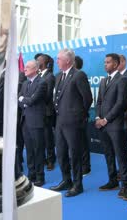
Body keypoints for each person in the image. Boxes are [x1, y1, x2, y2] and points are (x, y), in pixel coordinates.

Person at [50, 48, 93, 197]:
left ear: (68, 60)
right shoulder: (58, 76)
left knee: (74, 154)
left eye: (59, 59)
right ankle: (66, 180)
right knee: (61, 153)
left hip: (73, 123)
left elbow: (87, 99)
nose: (57, 61)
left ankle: (77, 184)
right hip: (60, 121)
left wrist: (78, 116)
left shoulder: (79, 75)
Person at [95, 54, 127, 197]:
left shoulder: (122, 80)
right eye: (104, 62)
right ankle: (112, 180)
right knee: (108, 154)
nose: (105, 65)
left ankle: (125, 186)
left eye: (108, 62)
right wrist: (98, 117)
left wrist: (106, 119)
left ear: (115, 64)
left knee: (121, 156)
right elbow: (99, 102)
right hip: (103, 125)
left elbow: (121, 103)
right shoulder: (103, 81)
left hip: (115, 125)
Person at [18, 60, 48, 187]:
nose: (25, 69)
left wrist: (23, 100)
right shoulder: (25, 83)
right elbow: (18, 99)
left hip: (36, 122)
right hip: (25, 121)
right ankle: (31, 175)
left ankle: (40, 177)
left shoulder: (42, 82)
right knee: (29, 150)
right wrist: (24, 100)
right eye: (25, 67)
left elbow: (32, 100)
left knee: (38, 150)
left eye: (28, 67)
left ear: (35, 69)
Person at [36, 54, 57, 171]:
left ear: (43, 62)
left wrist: (34, 99)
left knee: (48, 138)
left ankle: (51, 160)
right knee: (40, 138)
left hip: (47, 112)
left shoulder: (49, 77)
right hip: (38, 112)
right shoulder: (38, 75)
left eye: (38, 60)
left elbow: (48, 96)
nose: (36, 62)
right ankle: (43, 158)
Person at [73, 55, 91, 175]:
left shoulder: (79, 75)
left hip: (79, 116)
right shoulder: (66, 76)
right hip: (69, 117)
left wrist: (82, 112)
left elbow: (87, 98)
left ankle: (85, 167)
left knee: (82, 142)